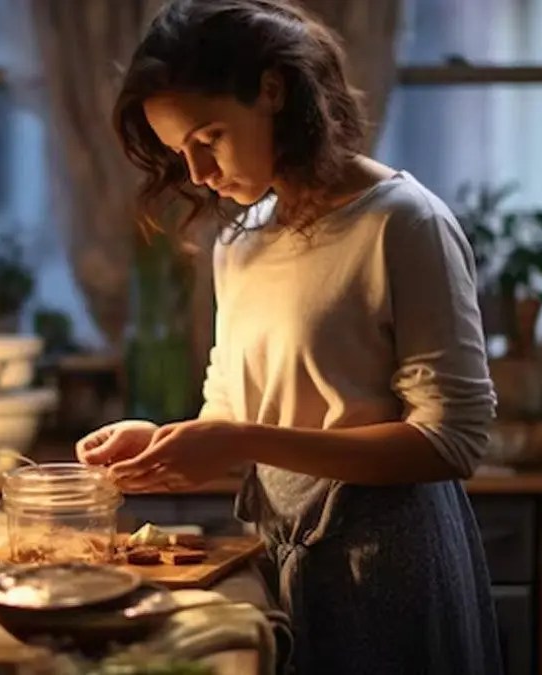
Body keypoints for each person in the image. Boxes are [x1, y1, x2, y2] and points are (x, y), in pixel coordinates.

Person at [76, 1, 504, 673]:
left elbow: (452, 441)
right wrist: (164, 441)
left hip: (390, 562)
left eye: (208, 137)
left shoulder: (402, 223)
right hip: (277, 553)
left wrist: (242, 440)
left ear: (272, 90)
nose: (197, 174)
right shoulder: (238, 241)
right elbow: (236, 412)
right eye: (179, 153)